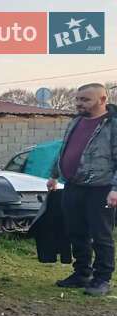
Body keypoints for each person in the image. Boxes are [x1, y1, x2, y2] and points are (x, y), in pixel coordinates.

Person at [47, 83, 117, 296]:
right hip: (73, 186)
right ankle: (81, 273)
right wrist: (53, 175)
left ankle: (102, 279)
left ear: (102, 99)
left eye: (85, 100)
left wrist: (115, 189)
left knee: (101, 235)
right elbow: (65, 149)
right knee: (76, 232)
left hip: (101, 188)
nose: (79, 103)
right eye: (78, 99)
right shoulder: (76, 122)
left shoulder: (112, 125)